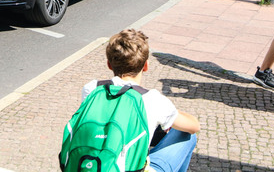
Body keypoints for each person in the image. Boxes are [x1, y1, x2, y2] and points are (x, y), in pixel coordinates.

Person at [81, 29, 200, 172]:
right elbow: (194, 127)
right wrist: (170, 113)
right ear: (146, 66)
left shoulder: (92, 88)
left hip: (91, 164)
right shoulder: (152, 99)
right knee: (186, 135)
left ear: (109, 64)